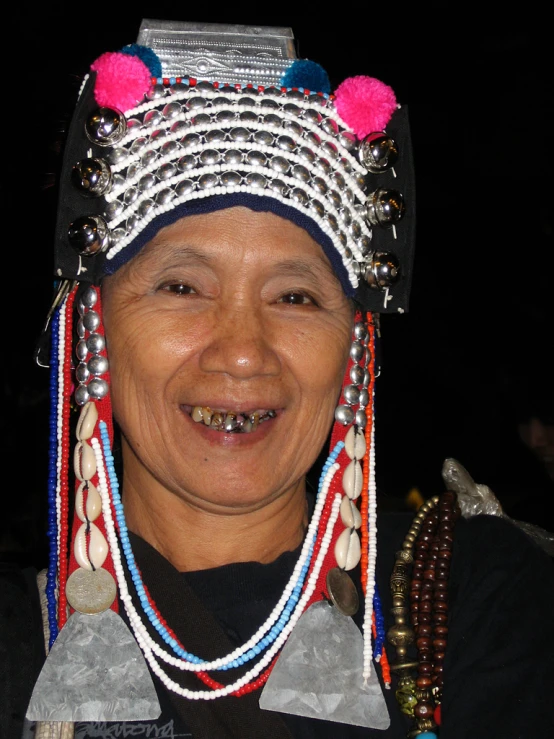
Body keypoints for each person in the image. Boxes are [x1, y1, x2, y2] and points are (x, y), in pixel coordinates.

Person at [3, 17, 553, 739]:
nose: (241, 351)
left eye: (295, 297)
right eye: (182, 287)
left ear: (356, 347)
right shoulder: (18, 644)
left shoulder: (479, 600)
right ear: (93, 326)